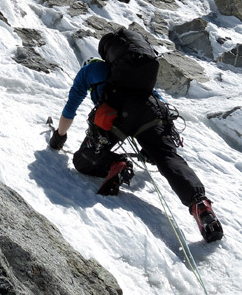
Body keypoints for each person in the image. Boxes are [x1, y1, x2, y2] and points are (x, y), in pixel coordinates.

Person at [49, 28, 223, 243]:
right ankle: (200, 204)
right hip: (152, 110)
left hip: (118, 114)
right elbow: (157, 101)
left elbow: (70, 108)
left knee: (83, 160)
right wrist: (155, 141)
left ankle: (116, 164)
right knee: (168, 158)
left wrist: (59, 137)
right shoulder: (138, 76)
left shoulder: (90, 70)